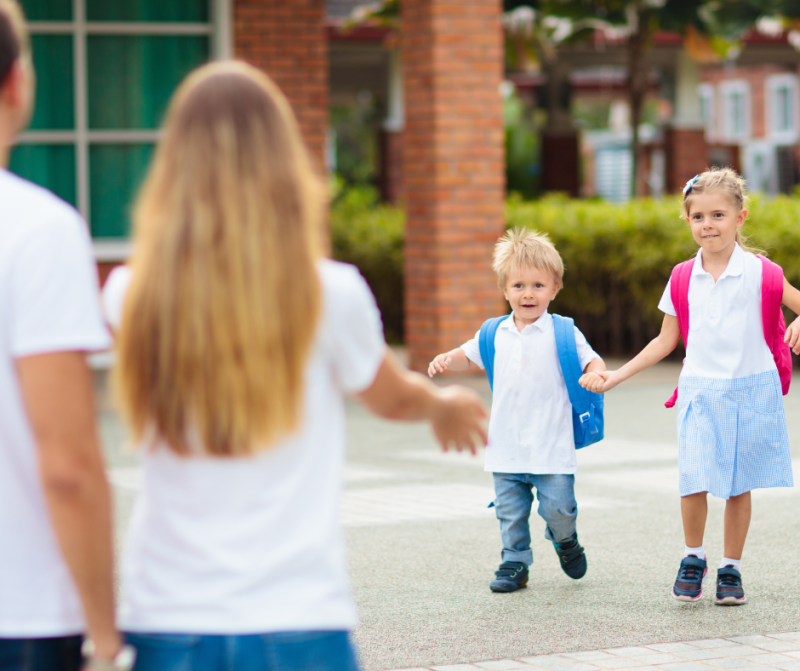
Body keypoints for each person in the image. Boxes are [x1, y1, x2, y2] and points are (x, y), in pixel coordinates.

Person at [101, 60, 487, 671]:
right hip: (299, 620)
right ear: (283, 162)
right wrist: (441, 406)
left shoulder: (129, 292)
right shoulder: (330, 292)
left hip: (168, 618)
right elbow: (389, 398)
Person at [581, 167, 800, 605]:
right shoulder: (682, 276)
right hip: (700, 391)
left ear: (740, 216)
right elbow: (666, 340)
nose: (708, 225)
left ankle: (730, 569)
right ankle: (693, 557)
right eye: (698, 216)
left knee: (739, 485)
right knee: (693, 478)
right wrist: (617, 376)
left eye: (718, 215)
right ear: (687, 221)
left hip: (751, 391)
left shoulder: (762, 273)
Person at [0, 1, 128, 670]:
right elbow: (69, 464)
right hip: (19, 609)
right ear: (17, 82)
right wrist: (105, 637)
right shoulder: (37, 231)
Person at [428, 229, 606, 593]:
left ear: (555, 288)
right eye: (519, 285)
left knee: (559, 508)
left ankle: (565, 539)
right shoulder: (494, 333)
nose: (528, 294)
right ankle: (514, 562)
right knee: (509, 512)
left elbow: (592, 361)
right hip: (506, 445)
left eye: (538, 286)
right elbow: (468, 355)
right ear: (504, 289)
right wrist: (448, 359)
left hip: (551, 445)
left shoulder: (563, 332)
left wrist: (596, 374)